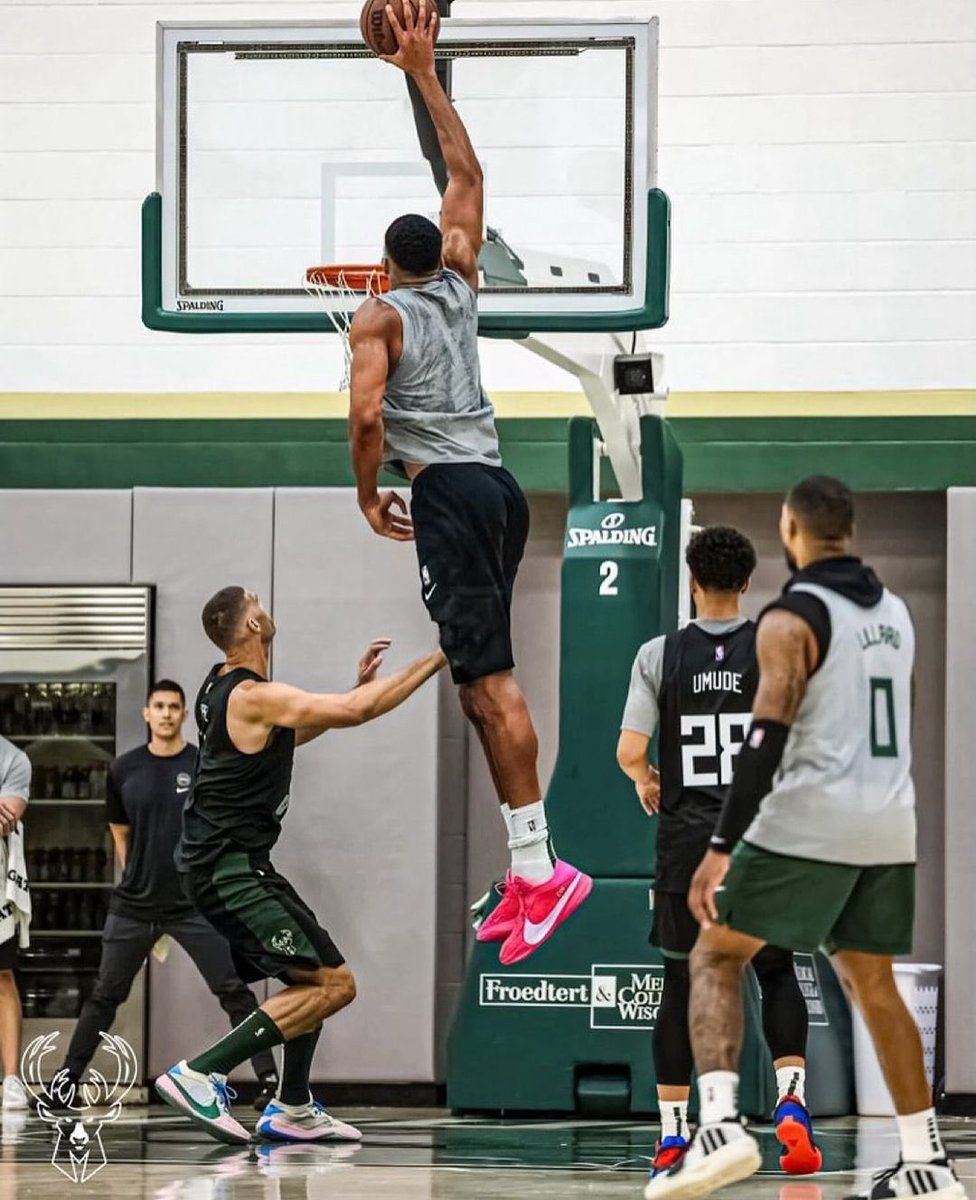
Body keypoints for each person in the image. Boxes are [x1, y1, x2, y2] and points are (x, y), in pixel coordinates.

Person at [347, 0, 590, 967]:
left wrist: (367, 494)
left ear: (381, 265)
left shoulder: (379, 317)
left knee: (488, 683)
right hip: (496, 486)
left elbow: (368, 422)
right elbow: (466, 174)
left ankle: (543, 868)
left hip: (448, 492)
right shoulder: (460, 278)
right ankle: (528, 865)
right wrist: (423, 71)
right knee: (476, 683)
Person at [646, 477, 967, 1200]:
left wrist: (722, 847)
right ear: (849, 531)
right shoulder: (896, 613)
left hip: (812, 819)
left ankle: (719, 1128)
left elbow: (764, 738)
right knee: (873, 985)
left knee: (714, 955)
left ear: (791, 530)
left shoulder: (791, 618)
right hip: (889, 824)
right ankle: (926, 1161)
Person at [156, 588, 445, 1146]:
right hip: (227, 868)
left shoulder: (220, 686)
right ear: (253, 624)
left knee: (309, 978)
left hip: (228, 863)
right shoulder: (251, 694)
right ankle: (201, 1073)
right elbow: (358, 713)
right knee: (335, 985)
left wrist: (353, 690)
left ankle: (292, 1106)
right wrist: (441, 656)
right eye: (257, 602)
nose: (266, 606)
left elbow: (294, 730)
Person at [618, 526, 820, 1182]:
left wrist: (646, 778)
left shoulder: (659, 654)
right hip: (760, 841)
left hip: (688, 848)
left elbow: (629, 750)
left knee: (680, 984)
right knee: (777, 971)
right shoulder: (775, 648)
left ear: (694, 582)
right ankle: (792, 1101)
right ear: (746, 583)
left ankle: (674, 1136)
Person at [51, 680, 293, 1111]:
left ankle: (269, 1082)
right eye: (158, 706)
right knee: (105, 994)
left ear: (183, 714)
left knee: (234, 989)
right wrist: (139, 876)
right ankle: (66, 1082)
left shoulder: (202, 764)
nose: (165, 713)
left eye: (173, 707)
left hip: (193, 905)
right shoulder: (124, 769)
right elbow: (120, 833)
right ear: (147, 713)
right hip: (134, 905)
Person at [0, 737, 30, 1111]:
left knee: (2, 977)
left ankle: (11, 1079)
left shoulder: (13, 759)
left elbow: (6, 820)